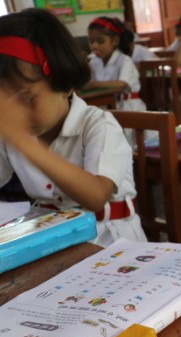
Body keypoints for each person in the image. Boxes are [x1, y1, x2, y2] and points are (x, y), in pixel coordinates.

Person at [0, 8, 147, 247]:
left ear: (65, 84)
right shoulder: (10, 134)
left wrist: (23, 142)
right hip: (51, 238)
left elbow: (95, 197)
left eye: (26, 98)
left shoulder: (99, 125)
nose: (16, 114)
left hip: (110, 242)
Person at [85, 16, 148, 146]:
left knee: (129, 144)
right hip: (106, 108)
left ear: (115, 41)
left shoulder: (124, 60)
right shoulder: (94, 62)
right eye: (91, 42)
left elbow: (122, 84)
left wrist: (93, 85)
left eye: (100, 41)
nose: (94, 46)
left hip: (128, 107)